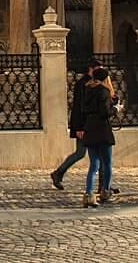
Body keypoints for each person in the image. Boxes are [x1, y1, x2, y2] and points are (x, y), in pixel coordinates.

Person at [50, 60, 100, 189]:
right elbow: (79, 106)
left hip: (92, 124)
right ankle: (58, 173)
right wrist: (79, 127)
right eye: (98, 69)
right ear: (91, 69)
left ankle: (104, 185)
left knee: (93, 154)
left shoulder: (95, 83)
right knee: (81, 153)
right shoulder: (83, 83)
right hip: (84, 124)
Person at [81, 66, 123, 208]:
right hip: (102, 129)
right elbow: (105, 111)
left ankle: (89, 194)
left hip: (90, 128)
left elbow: (84, 109)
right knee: (107, 163)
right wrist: (116, 108)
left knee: (94, 165)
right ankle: (105, 191)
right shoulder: (103, 91)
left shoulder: (87, 90)